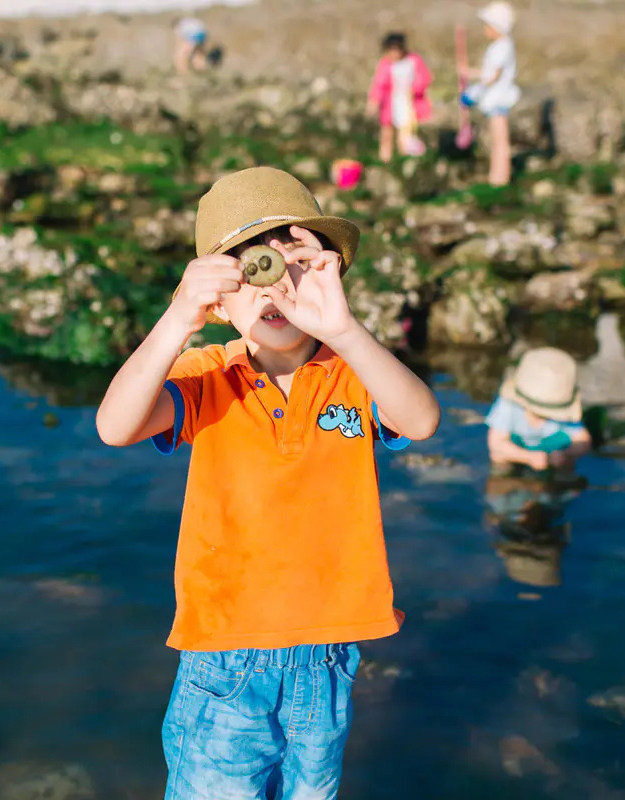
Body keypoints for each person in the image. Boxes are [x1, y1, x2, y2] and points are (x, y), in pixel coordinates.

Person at [95, 166, 440, 799]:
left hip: (328, 654)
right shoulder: (206, 377)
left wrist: (340, 326)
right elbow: (115, 427)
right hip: (225, 657)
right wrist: (176, 319)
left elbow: (419, 419)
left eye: (295, 260)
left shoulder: (354, 372)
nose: (273, 283)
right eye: (250, 266)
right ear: (219, 304)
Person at [486, 347, 591, 472]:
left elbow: (584, 441)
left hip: (554, 451)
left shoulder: (565, 416)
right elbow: (496, 443)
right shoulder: (510, 406)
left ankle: (559, 483)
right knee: (499, 457)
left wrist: (565, 454)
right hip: (517, 446)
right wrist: (528, 457)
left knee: (565, 467)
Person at [461, 2, 521, 185]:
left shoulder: (502, 47)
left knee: (500, 140)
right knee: (497, 139)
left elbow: (492, 76)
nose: (485, 29)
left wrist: (473, 91)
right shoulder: (498, 46)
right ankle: (496, 174)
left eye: (488, 25)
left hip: (498, 98)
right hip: (495, 97)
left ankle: (500, 177)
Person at [367, 32, 433, 163]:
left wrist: (414, 89)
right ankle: (385, 160)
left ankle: (404, 161)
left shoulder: (414, 60)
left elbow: (425, 78)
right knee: (387, 133)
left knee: (406, 134)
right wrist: (373, 101)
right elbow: (378, 84)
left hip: (409, 103)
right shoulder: (385, 64)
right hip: (390, 103)